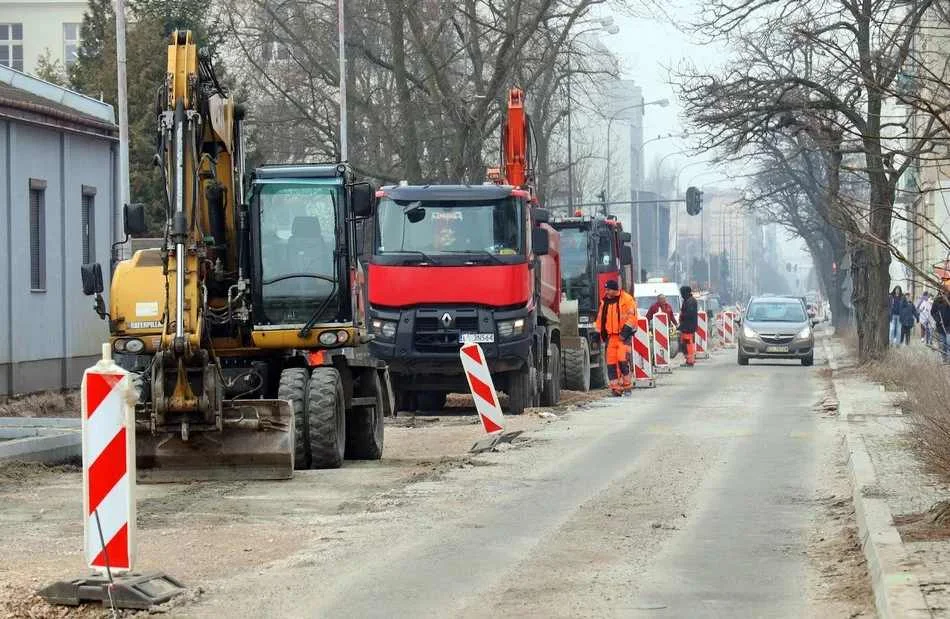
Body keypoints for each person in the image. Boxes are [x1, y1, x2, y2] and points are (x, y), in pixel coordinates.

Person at [595, 279, 638, 396]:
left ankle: (627, 386)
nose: (607, 292)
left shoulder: (627, 299)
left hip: (624, 337)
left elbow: (632, 317)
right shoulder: (605, 302)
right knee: (611, 363)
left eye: (608, 289)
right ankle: (616, 388)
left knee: (623, 360)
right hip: (611, 337)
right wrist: (597, 334)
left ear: (614, 289)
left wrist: (624, 333)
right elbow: (600, 320)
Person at [679, 285, 699, 366]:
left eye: (682, 292)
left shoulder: (690, 301)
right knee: (686, 342)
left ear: (685, 292)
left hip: (688, 326)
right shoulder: (688, 300)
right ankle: (689, 359)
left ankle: (690, 360)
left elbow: (689, 314)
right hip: (687, 325)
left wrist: (682, 316)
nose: (681, 294)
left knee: (687, 343)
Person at [933, 290, 950, 363]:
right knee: (943, 343)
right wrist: (938, 320)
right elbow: (932, 312)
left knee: (948, 342)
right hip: (940, 326)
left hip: (949, 326)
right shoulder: (937, 300)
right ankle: (944, 359)